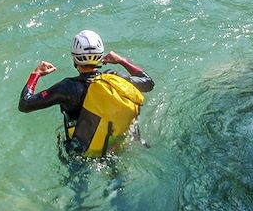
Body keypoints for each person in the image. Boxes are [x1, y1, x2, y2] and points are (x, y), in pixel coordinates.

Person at [18, 30, 154, 159]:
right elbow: (148, 82)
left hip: (80, 152)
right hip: (112, 145)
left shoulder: (67, 88)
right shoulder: (113, 78)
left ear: (74, 58)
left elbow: (25, 104)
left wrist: (35, 74)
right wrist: (121, 60)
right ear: (100, 56)